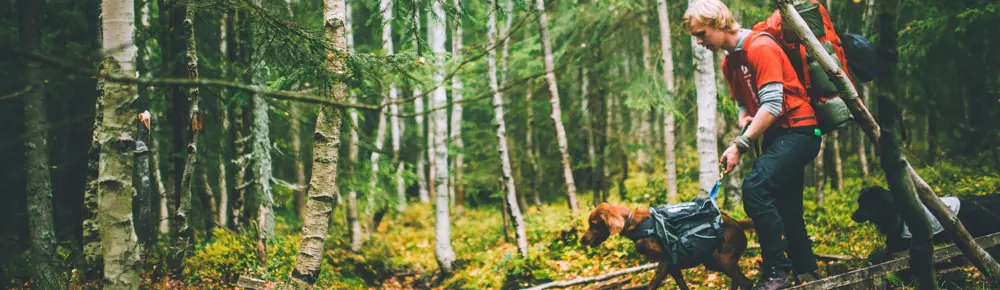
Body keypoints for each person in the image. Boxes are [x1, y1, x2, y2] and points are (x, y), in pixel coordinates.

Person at [683, 1, 822, 289]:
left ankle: (776, 270)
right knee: (787, 207)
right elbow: (744, 102)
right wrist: (745, 117)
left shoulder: (761, 47)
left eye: (701, 33)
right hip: (776, 136)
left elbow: (772, 105)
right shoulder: (729, 61)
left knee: (755, 188)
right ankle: (806, 269)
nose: (699, 41)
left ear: (719, 23)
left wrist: (740, 145)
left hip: (800, 131)